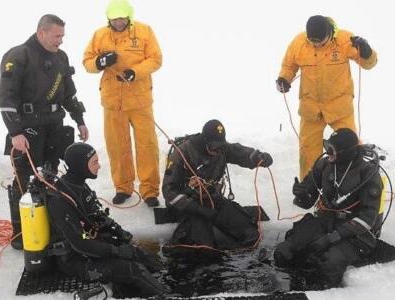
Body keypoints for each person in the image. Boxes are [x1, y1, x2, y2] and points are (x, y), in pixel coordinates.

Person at [0, 14, 88, 249]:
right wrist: (15, 132)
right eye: (57, 36)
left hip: (54, 126)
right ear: (41, 32)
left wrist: (79, 120)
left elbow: (69, 94)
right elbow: (6, 98)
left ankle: (50, 224)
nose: (60, 41)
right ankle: (22, 234)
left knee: (49, 176)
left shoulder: (61, 57)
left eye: (62, 36)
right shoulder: (19, 56)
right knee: (25, 180)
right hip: (27, 128)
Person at [46, 142, 166, 297]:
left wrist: (119, 232)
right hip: (76, 261)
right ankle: (167, 295)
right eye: (94, 162)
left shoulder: (78, 185)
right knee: (132, 270)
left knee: (141, 255)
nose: (99, 166)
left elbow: (96, 215)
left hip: (93, 244)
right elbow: (79, 243)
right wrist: (116, 251)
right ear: (80, 166)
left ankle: (167, 280)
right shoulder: (60, 201)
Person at [274, 128, 383, 286]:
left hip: (354, 231)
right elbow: (306, 203)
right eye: (326, 146)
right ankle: (284, 287)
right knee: (285, 250)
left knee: (330, 262)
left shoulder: (367, 173)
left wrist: (332, 238)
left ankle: (324, 292)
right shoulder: (324, 164)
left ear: (346, 152)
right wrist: (301, 195)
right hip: (325, 220)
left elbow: (367, 219)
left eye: (332, 149)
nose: (327, 152)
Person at [276, 15, 377, 180]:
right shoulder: (299, 42)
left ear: (329, 34)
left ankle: (354, 184)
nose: (316, 45)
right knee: (308, 151)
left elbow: (369, 64)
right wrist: (283, 79)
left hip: (340, 107)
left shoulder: (345, 40)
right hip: (311, 108)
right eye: (312, 41)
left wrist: (367, 52)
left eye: (320, 42)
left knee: (350, 148)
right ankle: (309, 187)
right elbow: (288, 65)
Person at [83, 0, 162, 207]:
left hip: (140, 101)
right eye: (114, 18)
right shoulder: (100, 35)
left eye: (122, 18)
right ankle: (123, 187)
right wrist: (100, 62)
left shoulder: (144, 32)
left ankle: (150, 190)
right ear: (109, 18)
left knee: (147, 146)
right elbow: (87, 62)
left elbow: (156, 59)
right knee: (117, 147)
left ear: (129, 16)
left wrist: (134, 72)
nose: (118, 22)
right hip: (112, 102)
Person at [162, 119, 273, 256]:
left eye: (220, 146)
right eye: (214, 147)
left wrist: (258, 158)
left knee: (251, 234)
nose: (218, 150)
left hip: (213, 199)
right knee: (204, 250)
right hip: (189, 205)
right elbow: (168, 191)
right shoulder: (182, 153)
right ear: (205, 141)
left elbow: (239, 152)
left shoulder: (222, 149)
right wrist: (197, 209)